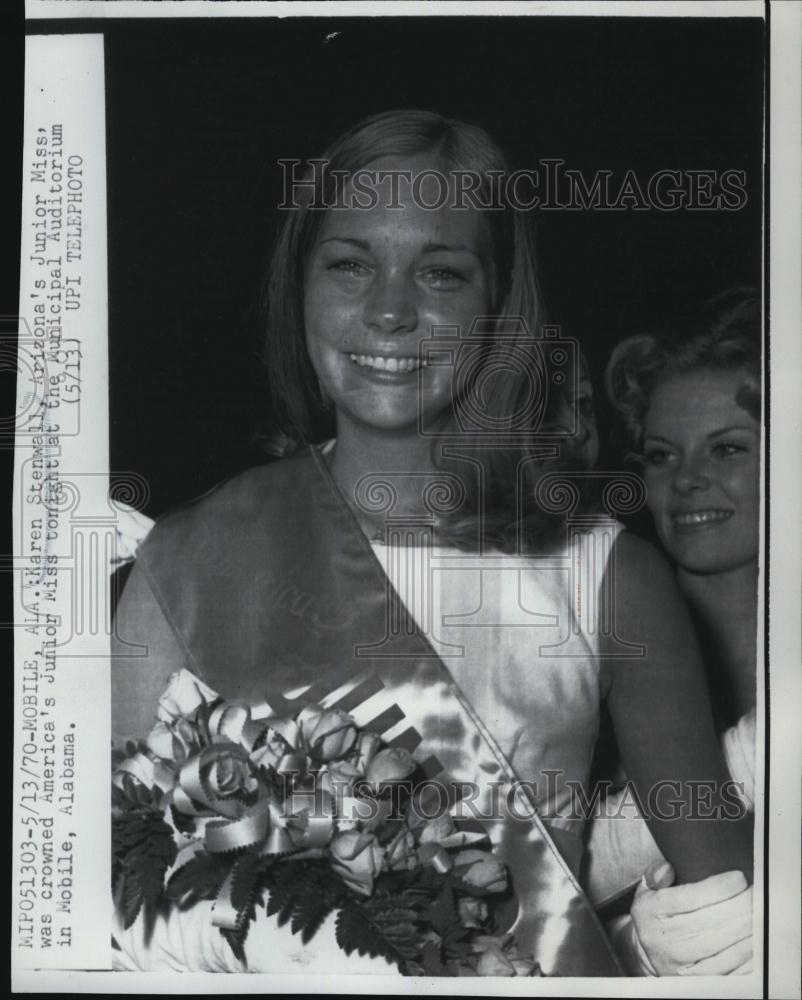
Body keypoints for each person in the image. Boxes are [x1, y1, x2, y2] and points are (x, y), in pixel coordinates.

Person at [110, 110, 752, 975]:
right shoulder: (184, 562)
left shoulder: (609, 577)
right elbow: (110, 892)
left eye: (441, 275)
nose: (388, 311)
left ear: (499, 305)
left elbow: (726, 926)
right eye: (348, 264)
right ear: (298, 283)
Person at [589, 290, 760, 974]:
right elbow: (543, 879)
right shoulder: (597, 644)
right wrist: (640, 948)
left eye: (726, 449)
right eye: (661, 456)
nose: (688, 480)